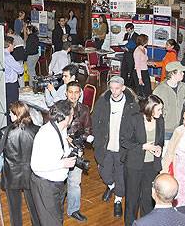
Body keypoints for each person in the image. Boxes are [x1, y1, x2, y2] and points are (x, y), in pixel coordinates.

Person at [93, 76, 139, 217]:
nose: (114, 91)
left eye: (117, 88)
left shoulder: (132, 104)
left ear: (123, 88)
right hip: (106, 145)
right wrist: (96, 140)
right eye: (111, 88)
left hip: (122, 148)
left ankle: (118, 200)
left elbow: (136, 126)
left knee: (120, 175)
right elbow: (95, 121)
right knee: (104, 172)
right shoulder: (102, 102)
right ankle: (111, 186)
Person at [121, 95, 165, 226]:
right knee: (132, 199)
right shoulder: (134, 119)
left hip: (151, 166)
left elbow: (160, 141)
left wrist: (158, 148)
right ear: (150, 108)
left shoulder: (160, 120)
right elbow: (124, 141)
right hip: (134, 165)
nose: (161, 113)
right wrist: (143, 146)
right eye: (159, 109)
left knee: (148, 198)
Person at [30, 100, 76, 226]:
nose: (73, 117)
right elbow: (36, 166)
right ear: (66, 117)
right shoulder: (46, 134)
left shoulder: (62, 129)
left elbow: (59, 151)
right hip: (45, 185)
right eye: (72, 115)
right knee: (52, 222)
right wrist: (63, 164)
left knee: (54, 219)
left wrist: (71, 151)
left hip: (56, 185)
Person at [0, 102, 40, 226]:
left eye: (11, 113)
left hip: (11, 174)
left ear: (15, 115)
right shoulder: (37, 130)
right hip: (32, 174)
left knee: (14, 209)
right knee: (34, 208)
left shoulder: (4, 132)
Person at [65, 81, 93, 222]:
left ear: (80, 93)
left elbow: (88, 130)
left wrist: (79, 139)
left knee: (75, 182)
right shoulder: (59, 107)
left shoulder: (85, 110)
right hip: (60, 150)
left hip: (77, 149)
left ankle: (73, 209)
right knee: (58, 182)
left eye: (76, 92)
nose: (73, 95)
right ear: (66, 93)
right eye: (71, 92)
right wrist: (65, 138)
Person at [153, 61, 185, 146]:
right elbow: (153, 112)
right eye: (180, 72)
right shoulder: (159, 90)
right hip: (166, 131)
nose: (183, 74)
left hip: (183, 129)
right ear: (173, 73)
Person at [4, 36, 24, 123]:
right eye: (13, 44)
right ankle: (12, 124)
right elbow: (20, 70)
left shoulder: (0, 54)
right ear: (9, 45)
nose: (14, 46)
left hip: (4, 84)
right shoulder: (8, 57)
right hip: (11, 85)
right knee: (13, 106)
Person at [121, 23, 139, 88]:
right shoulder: (126, 35)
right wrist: (123, 47)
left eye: (128, 30)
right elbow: (124, 43)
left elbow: (137, 47)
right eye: (126, 30)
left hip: (132, 55)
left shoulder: (136, 36)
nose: (127, 32)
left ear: (132, 29)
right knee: (123, 69)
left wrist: (129, 50)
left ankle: (131, 86)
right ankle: (123, 84)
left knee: (131, 70)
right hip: (125, 54)